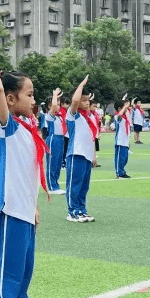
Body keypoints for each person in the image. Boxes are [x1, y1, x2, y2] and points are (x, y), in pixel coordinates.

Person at [0, 50, 48, 298]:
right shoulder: (6, 125)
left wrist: (34, 206)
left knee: (24, 267)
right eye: (29, 94)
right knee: (8, 266)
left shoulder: (28, 128)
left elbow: (30, 173)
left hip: (25, 208)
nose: (34, 100)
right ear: (11, 100)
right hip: (9, 207)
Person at [65, 76, 96, 222]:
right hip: (76, 154)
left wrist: (93, 156)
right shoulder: (73, 115)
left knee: (84, 186)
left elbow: (90, 139)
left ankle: (82, 210)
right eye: (84, 100)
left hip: (86, 156)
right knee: (74, 185)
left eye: (88, 100)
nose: (87, 102)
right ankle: (72, 211)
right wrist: (81, 85)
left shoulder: (88, 118)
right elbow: (75, 101)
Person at [113, 97, 132, 179]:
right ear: (120, 108)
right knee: (120, 158)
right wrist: (125, 107)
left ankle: (122, 171)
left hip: (125, 141)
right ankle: (119, 173)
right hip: (120, 141)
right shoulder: (117, 117)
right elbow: (119, 115)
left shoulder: (125, 117)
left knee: (125, 158)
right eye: (124, 107)